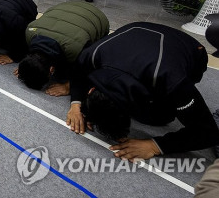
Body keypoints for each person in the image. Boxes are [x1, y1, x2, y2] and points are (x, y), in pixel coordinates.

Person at [66, 22, 219, 160]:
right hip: (137, 29)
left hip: (190, 48)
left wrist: (155, 145)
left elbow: (208, 132)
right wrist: (76, 103)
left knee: (159, 118)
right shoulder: (92, 54)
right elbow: (78, 74)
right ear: (91, 89)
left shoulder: (171, 80)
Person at [16, 1, 109, 94]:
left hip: (97, 16)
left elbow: (88, 70)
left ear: (52, 69)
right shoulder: (30, 32)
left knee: (72, 69)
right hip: (65, 5)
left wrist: (68, 87)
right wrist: (28, 67)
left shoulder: (77, 49)